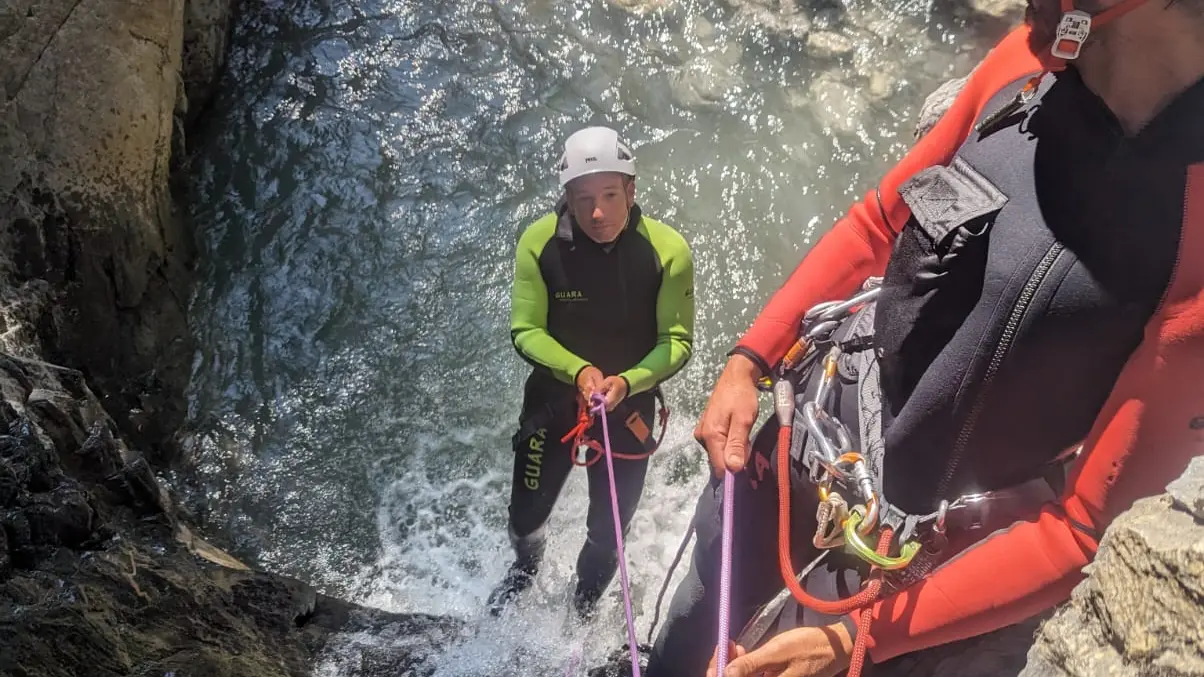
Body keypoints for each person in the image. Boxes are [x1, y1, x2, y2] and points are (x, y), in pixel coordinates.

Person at [645, 0, 1204, 675]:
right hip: (817, 431)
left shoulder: (1194, 237)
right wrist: (751, 358)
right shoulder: (1023, 65)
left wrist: (858, 640)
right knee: (684, 627)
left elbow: (1080, 525)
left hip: (913, 562)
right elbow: (879, 223)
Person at [488, 125, 695, 619]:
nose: (597, 213)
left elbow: (677, 342)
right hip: (556, 400)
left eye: (609, 195)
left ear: (631, 190)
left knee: (610, 529)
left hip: (628, 408)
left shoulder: (668, 252)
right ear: (566, 197)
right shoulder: (539, 244)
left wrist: (627, 382)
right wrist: (579, 371)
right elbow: (526, 330)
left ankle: (581, 607)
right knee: (524, 516)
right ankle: (525, 568)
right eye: (583, 199)